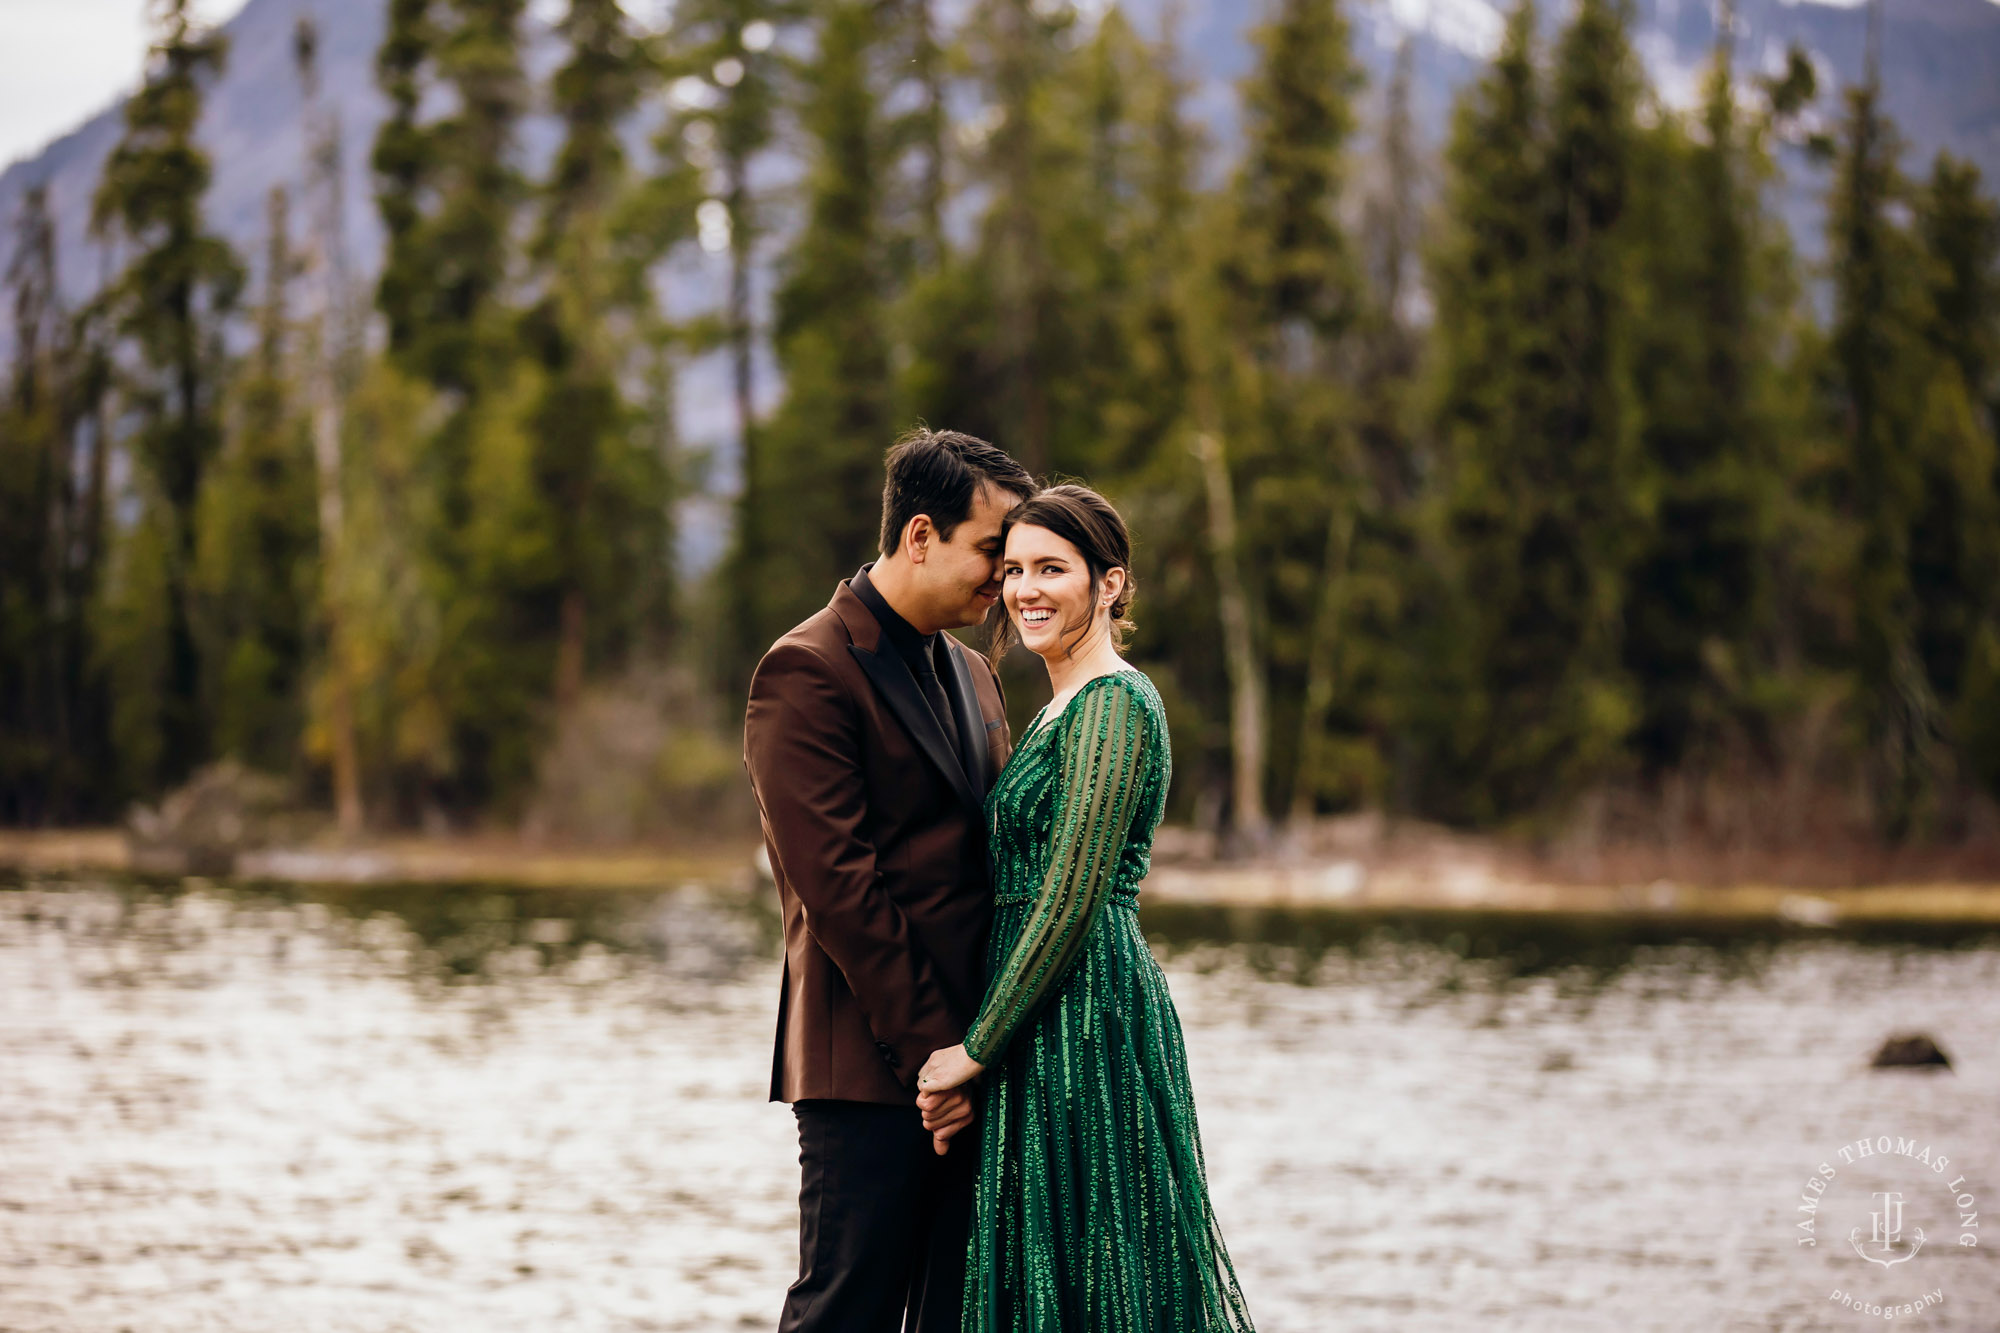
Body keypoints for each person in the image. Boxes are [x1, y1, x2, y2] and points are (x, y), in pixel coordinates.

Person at [915, 485, 1257, 1332]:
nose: (1027, 589)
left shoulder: (1114, 703)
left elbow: (1072, 895)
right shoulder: (1057, 706)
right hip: (1035, 1011)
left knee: (1098, 1273)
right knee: (1041, 1273)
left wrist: (975, 1048)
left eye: (1053, 569)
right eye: (1017, 568)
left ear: (1109, 584)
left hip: (1081, 1016)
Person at [743, 427, 1037, 1333]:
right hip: (869, 1071)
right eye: (992, 550)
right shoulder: (806, 670)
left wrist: (977, 1057)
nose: (1006, 578)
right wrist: (932, 1060)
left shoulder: (977, 674)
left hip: (972, 1065)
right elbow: (840, 892)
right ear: (920, 535)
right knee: (845, 1314)